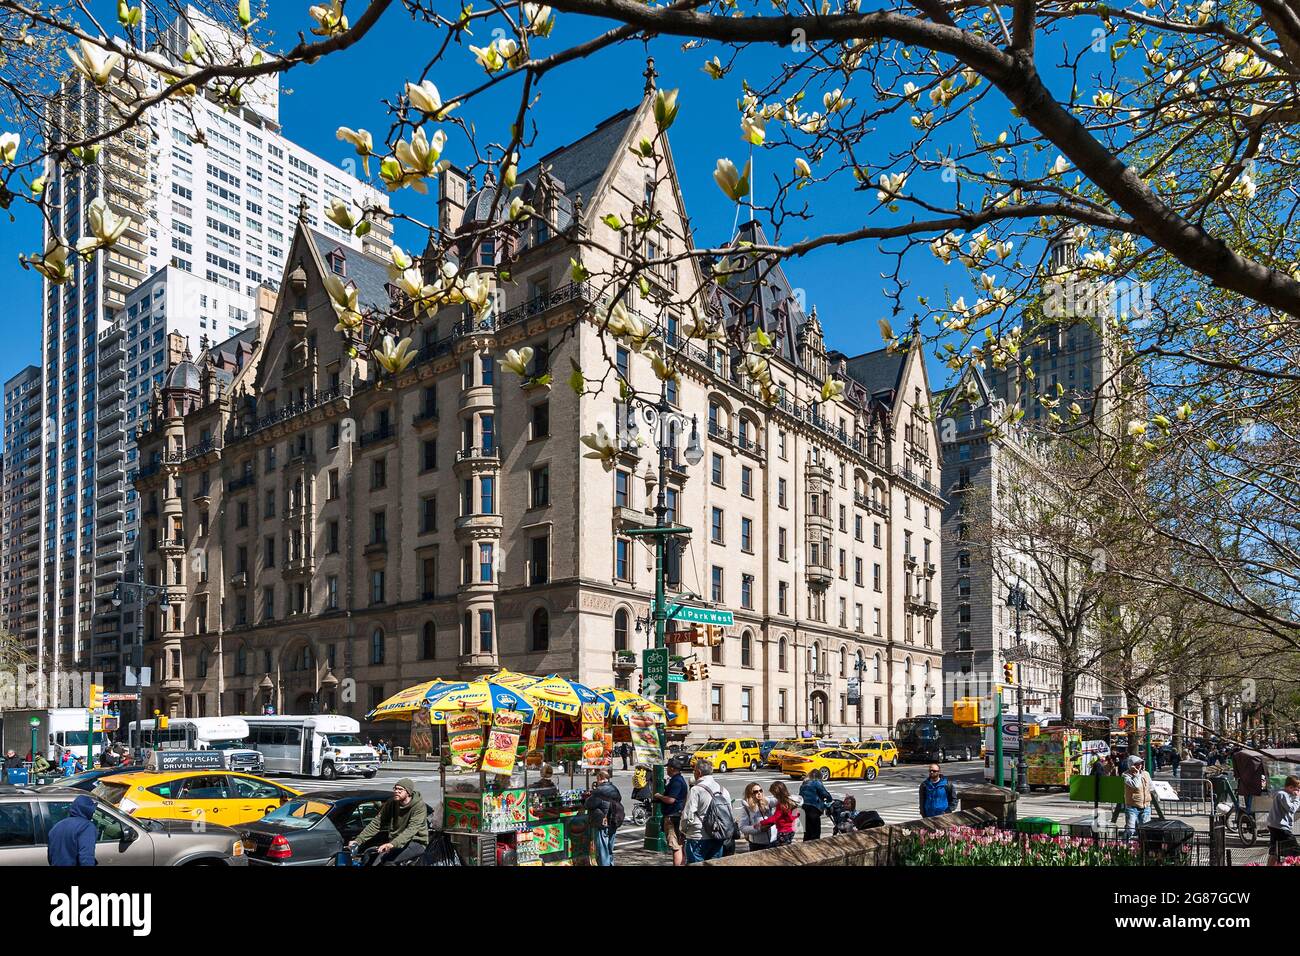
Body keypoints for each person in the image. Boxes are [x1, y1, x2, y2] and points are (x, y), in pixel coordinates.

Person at [349, 778, 429, 865]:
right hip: (396, 842)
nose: (396, 791)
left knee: (389, 861)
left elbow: (411, 830)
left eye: (400, 789)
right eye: (395, 788)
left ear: (408, 792)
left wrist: (392, 844)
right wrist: (358, 840)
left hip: (416, 842)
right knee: (376, 863)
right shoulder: (391, 803)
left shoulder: (419, 806)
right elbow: (376, 823)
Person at [681, 758, 733, 864]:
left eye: (694, 771)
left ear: (699, 773)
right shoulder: (723, 790)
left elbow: (687, 815)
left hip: (697, 836)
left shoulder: (696, 789)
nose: (694, 773)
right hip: (718, 836)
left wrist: (683, 831)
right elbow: (729, 814)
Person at [583, 768, 623, 867]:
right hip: (614, 820)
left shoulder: (599, 790)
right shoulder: (614, 789)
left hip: (602, 822)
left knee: (602, 851)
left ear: (600, 778)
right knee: (609, 848)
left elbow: (588, 804)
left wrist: (588, 797)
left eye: (597, 778)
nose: (596, 781)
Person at [653, 758, 688, 866]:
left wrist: (659, 796)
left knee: (675, 846)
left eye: (668, 767)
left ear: (672, 768)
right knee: (680, 845)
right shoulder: (680, 780)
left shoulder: (676, 781)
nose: (667, 769)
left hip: (672, 817)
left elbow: (671, 799)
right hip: (678, 814)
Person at [47, 794, 97, 866]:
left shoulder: (57, 826)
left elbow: (50, 856)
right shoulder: (87, 827)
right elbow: (86, 858)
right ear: (88, 811)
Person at [1266, 775, 1300, 866]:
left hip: (1274, 825)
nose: (1297, 791)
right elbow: (1291, 809)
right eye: (1296, 789)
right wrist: (1297, 798)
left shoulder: (1281, 793)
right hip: (1280, 827)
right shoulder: (1283, 794)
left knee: (1274, 851)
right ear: (1290, 787)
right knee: (1296, 851)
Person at [757, 781, 800, 846]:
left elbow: (775, 818)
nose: (774, 797)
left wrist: (761, 822)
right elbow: (796, 814)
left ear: (778, 794)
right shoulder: (791, 802)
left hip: (783, 831)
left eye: (774, 795)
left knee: (781, 849)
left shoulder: (781, 805)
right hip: (791, 830)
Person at [1121, 756, 1154, 839]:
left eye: (1140, 763)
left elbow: (1151, 787)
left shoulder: (1146, 773)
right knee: (1130, 830)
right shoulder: (1125, 775)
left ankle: (1142, 847)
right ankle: (1124, 845)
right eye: (1136, 764)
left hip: (1146, 806)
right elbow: (1135, 785)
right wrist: (1137, 774)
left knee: (1145, 830)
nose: (1139, 765)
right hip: (1132, 806)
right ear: (1131, 765)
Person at [738, 782, 775, 852]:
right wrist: (759, 829)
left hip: (773, 841)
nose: (759, 793)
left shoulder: (767, 801)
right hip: (757, 844)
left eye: (760, 790)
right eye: (755, 791)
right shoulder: (746, 808)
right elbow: (742, 827)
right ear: (750, 794)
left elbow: (781, 800)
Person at [799, 771, 833, 841]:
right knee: (815, 831)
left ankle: (805, 847)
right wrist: (830, 799)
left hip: (803, 808)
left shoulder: (804, 783)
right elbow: (824, 793)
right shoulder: (816, 782)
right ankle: (814, 848)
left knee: (807, 831)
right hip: (813, 808)